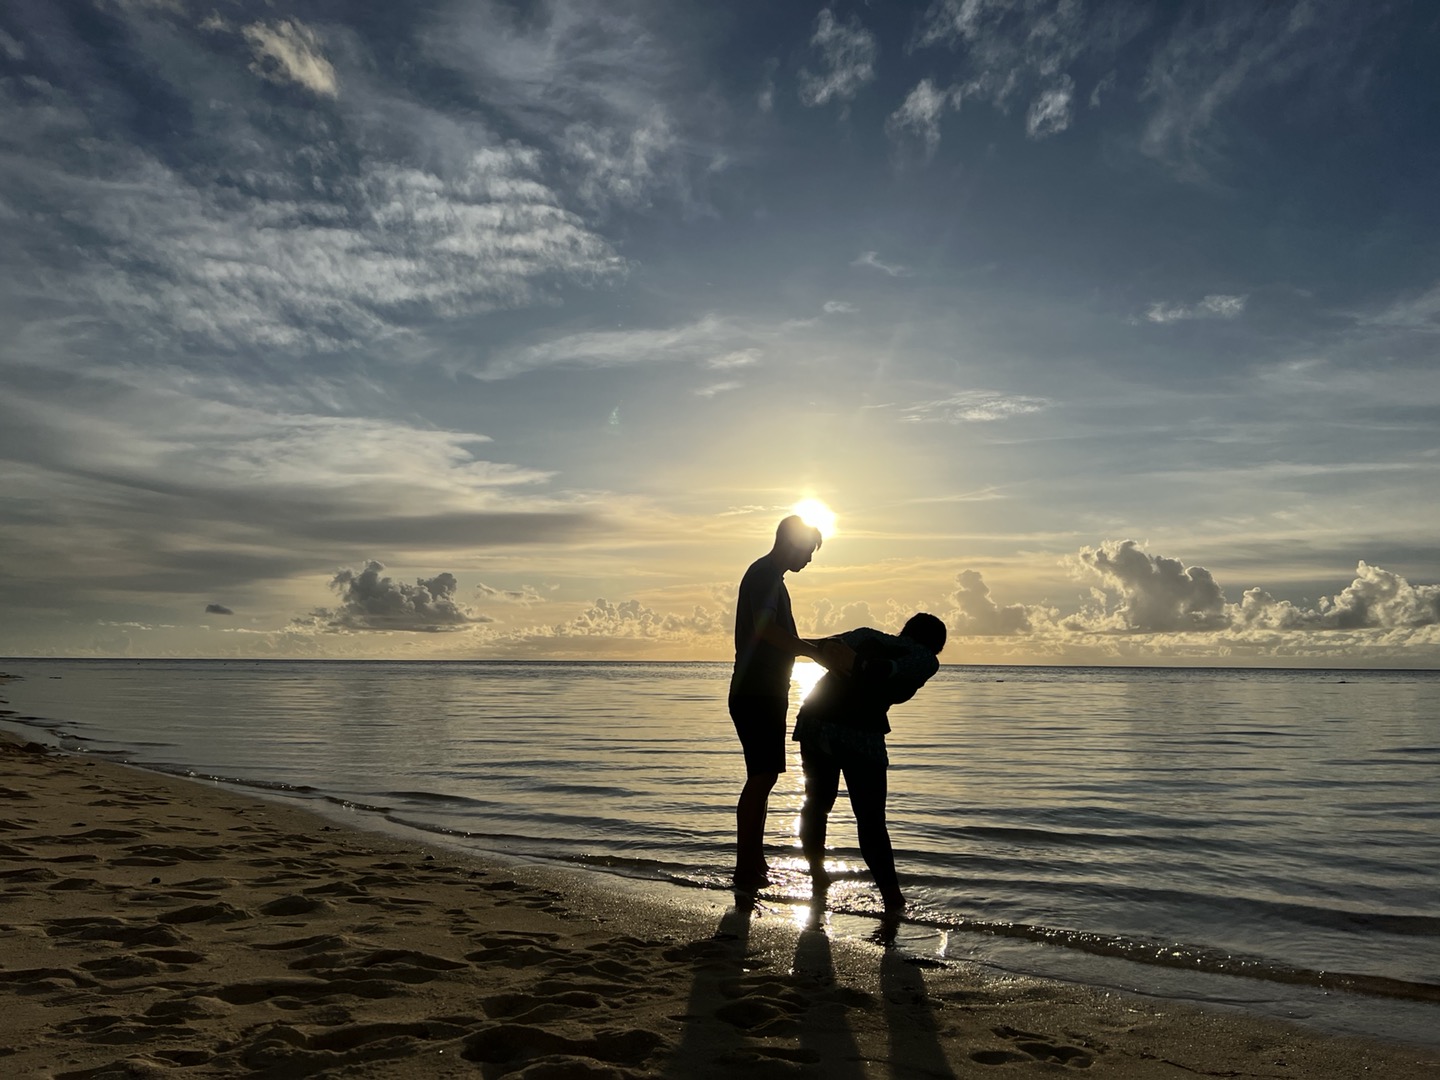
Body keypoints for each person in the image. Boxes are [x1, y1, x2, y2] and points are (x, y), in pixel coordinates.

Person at [729, 515, 852, 891]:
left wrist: (819, 646)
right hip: (756, 691)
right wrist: (814, 653)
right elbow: (767, 632)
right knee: (762, 777)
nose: (811, 559)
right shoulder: (765, 575)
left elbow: (786, 637)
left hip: (766, 690)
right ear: (790, 543)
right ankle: (745, 865)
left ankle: (754, 858)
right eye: (809, 550)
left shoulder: (773, 579)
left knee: (764, 776)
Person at [793, 612, 947, 911]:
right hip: (859, 731)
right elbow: (881, 671)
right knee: (871, 818)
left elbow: (822, 647)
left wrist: (829, 652)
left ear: (905, 630)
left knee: (817, 803)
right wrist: (853, 663)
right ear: (937, 644)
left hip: (814, 719)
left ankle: (817, 875)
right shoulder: (926, 658)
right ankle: (892, 897)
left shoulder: (865, 635)